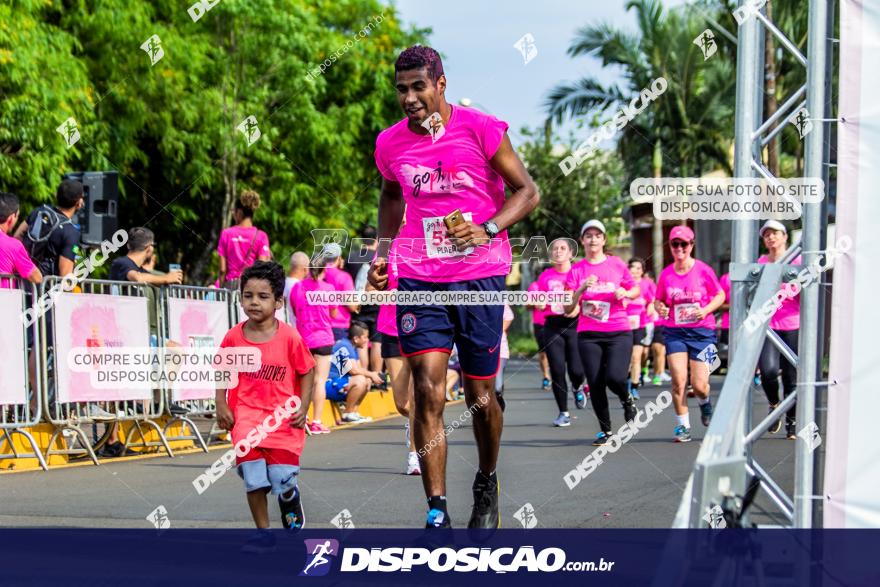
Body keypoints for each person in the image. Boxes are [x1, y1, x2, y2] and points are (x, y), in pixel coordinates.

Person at [369, 45, 539, 529]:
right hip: (420, 277)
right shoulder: (390, 143)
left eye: (418, 87)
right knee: (427, 390)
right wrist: (383, 255)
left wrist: (487, 228)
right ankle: (436, 507)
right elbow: (390, 193)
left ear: (441, 84)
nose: (409, 98)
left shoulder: (481, 128)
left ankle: (486, 480)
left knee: (481, 397)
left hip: (480, 277)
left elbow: (528, 192)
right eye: (401, 89)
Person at [215, 261, 315, 549]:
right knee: (254, 476)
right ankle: (263, 532)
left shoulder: (290, 337)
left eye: (262, 296)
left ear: (278, 302)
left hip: (283, 418)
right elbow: (223, 369)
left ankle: (288, 496)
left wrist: (303, 406)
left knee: (281, 477)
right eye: (248, 296)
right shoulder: (234, 337)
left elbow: (307, 370)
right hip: (246, 416)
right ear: (240, 297)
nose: (254, 302)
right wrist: (221, 402)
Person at [104, 227, 183, 457]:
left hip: (137, 334)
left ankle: (157, 401)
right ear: (149, 249)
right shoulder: (122, 264)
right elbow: (136, 278)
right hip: (122, 335)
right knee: (117, 386)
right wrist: (165, 278)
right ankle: (114, 438)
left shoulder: (134, 266)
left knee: (175, 351)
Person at [564, 220, 640, 445]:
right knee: (595, 382)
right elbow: (568, 308)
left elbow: (634, 289)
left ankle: (627, 399)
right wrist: (581, 289)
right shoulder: (577, 270)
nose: (593, 239)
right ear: (582, 241)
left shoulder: (616, 264)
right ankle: (606, 431)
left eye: (598, 235)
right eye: (589, 235)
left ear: (604, 240)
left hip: (618, 331)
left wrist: (625, 292)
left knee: (615, 378)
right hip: (589, 333)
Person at [653, 225, 725, 443]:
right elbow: (659, 300)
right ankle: (682, 426)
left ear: (691, 245)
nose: (679, 248)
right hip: (675, 332)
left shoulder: (703, 270)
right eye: (675, 244)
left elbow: (720, 295)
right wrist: (661, 308)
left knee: (700, 385)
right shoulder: (666, 274)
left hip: (704, 332)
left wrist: (704, 310)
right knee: (678, 380)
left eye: (684, 244)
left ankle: (705, 403)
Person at [376, 240, 420, 475]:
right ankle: (412, 424)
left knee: (417, 399)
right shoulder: (384, 253)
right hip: (392, 328)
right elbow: (370, 291)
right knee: (402, 403)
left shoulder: (427, 247)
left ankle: (414, 455)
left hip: (422, 327)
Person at [756, 220, 800, 438]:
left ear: (784, 237)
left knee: (791, 378)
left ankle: (792, 421)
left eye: (775, 233)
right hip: (769, 327)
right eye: (766, 235)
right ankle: (774, 405)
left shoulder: (798, 262)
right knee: (769, 371)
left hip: (793, 325)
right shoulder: (761, 263)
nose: (771, 238)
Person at [536, 238, 587, 427]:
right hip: (552, 325)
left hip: (574, 324)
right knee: (557, 369)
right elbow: (540, 300)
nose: (558, 251)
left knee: (576, 369)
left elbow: (587, 297)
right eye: (555, 249)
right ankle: (563, 412)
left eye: (562, 248)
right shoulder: (545, 276)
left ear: (571, 253)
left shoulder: (579, 274)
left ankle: (578, 386)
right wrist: (540, 304)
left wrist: (577, 308)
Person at [289, 255, 338, 435]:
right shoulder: (329, 288)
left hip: (304, 340)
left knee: (304, 382)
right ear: (325, 269)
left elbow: (294, 310)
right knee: (320, 381)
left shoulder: (297, 287)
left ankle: (303, 418)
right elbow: (334, 313)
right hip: (324, 339)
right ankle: (317, 421)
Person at [326, 320, 383, 423]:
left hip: (340, 382)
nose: (367, 340)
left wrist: (370, 376)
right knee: (360, 380)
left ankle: (353, 412)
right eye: (365, 337)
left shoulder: (352, 347)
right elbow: (354, 371)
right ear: (356, 339)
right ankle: (347, 414)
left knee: (366, 380)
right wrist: (371, 374)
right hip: (329, 384)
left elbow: (358, 370)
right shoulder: (344, 345)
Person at [347, 225, 383, 371]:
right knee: (377, 342)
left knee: (361, 342)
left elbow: (348, 282)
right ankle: (378, 378)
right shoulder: (380, 258)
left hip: (357, 305)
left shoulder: (351, 257)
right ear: (376, 239)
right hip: (376, 303)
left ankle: (363, 375)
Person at [217, 190, 271, 289]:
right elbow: (262, 266)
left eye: (234, 211)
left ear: (239, 212)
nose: (234, 215)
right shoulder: (261, 236)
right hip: (251, 287)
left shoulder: (226, 234)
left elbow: (222, 269)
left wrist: (220, 289)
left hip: (230, 286)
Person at [624, 258, 655, 401]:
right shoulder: (623, 283)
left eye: (638, 268)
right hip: (623, 325)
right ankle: (626, 383)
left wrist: (650, 306)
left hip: (640, 325)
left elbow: (652, 300)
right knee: (626, 359)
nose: (635, 271)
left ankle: (634, 387)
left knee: (636, 357)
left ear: (642, 271)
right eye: (632, 268)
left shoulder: (646, 284)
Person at [0, 192, 42, 287]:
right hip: (4, 299)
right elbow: (37, 277)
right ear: (11, 218)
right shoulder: (13, 245)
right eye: (17, 216)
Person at [321, 243, 359, 341]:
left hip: (317, 325)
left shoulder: (313, 275)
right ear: (338, 258)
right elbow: (352, 306)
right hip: (338, 326)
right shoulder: (344, 277)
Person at [526, 279, 551, 390]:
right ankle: (546, 377)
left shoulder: (561, 284)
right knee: (543, 353)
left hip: (557, 322)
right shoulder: (534, 286)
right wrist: (535, 303)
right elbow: (527, 306)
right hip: (540, 323)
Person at [494, 304, 514, 411]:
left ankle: (499, 402)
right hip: (479, 349)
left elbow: (509, 316)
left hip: (500, 349)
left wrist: (497, 331)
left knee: (497, 387)